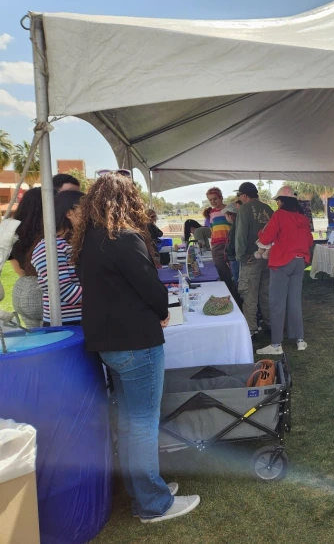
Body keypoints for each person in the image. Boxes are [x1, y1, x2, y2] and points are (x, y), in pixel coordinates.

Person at [71, 173, 200, 523]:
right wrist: (162, 311)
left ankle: (142, 489)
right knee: (142, 424)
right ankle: (153, 503)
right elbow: (153, 290)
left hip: (108, 343)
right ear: (129, 201)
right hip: (135, 342)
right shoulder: (124, 238)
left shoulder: (87, 241)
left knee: (130, 423)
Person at [256, 186, 314, 355]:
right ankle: (300, 340)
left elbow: (266, 238)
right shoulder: (302, 218)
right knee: (295, 301)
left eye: (277, 200)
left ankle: (276, 345)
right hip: (299, 262)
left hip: (282, 262)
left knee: (277, 303)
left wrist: (261, 231)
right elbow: (309, 242)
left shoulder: (279, 215)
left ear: (281, 201)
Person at [30, 190, 84, 326]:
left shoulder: (69, 243)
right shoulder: (49, 247)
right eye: (85, 208)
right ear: (69, 213)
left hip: (81, 319)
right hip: (67, 323)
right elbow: (65, 290)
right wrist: (106, 293)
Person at [235, 182, 274, 336]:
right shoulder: (269, 209)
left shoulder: (244, 208)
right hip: (268, 257)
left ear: (244, 195)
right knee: (267, 292)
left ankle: (251, 329)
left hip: (251, 257)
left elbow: (241, 235)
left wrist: (241, 257)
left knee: (249, 294)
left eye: (239, 195)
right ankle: (270, 323)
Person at [9, 187, 44, 328]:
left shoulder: (14, 231)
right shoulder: (49, 233)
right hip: (44, 290)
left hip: (21, 288)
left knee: (35, 339)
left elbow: (17, 268)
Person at [205, 187, 234, 292]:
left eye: (215, 199)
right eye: (210, 200)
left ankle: (234, 295)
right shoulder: (211, 213)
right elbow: (212, 229)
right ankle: (225, 293)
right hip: (217, 246)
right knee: (221, 271)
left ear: (221, 198)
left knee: (232, 272)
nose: (213, 201)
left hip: (229, 244)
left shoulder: (229, 210)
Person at [223, 204, 239, 287]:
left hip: (234, 257)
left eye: (226, 215)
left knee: (237, 280)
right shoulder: (237, 225)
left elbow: (231, 243)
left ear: (231, 215)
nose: (226, 217)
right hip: (235, 256)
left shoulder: (235, 227)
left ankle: (238, 298)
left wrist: (228, 254)